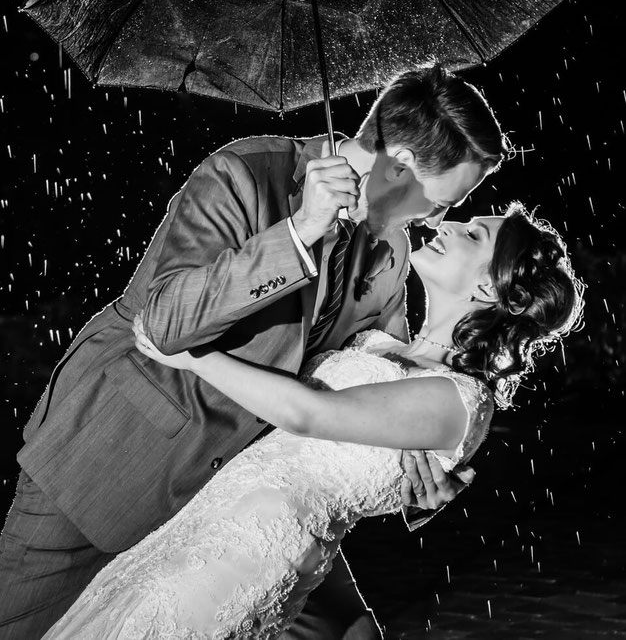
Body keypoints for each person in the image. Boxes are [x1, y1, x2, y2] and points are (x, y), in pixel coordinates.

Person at [0, 65, 509, 640]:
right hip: (109, 466)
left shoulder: (390, 248)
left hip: (239, 510)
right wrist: (300, 231)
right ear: (401, 165)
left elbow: (377, 380)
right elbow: (164, 321)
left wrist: (419, 481)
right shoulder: (243, 174)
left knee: (350, 633)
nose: (437, 219)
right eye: (443, 201)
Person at [40, 202, 584, 640]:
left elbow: (307, 413)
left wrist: (187, 354)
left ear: (488, 289)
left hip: (252, 555)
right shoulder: (384, 340)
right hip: (198, 525)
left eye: (471, 234)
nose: (450, 225)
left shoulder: (460, 401)